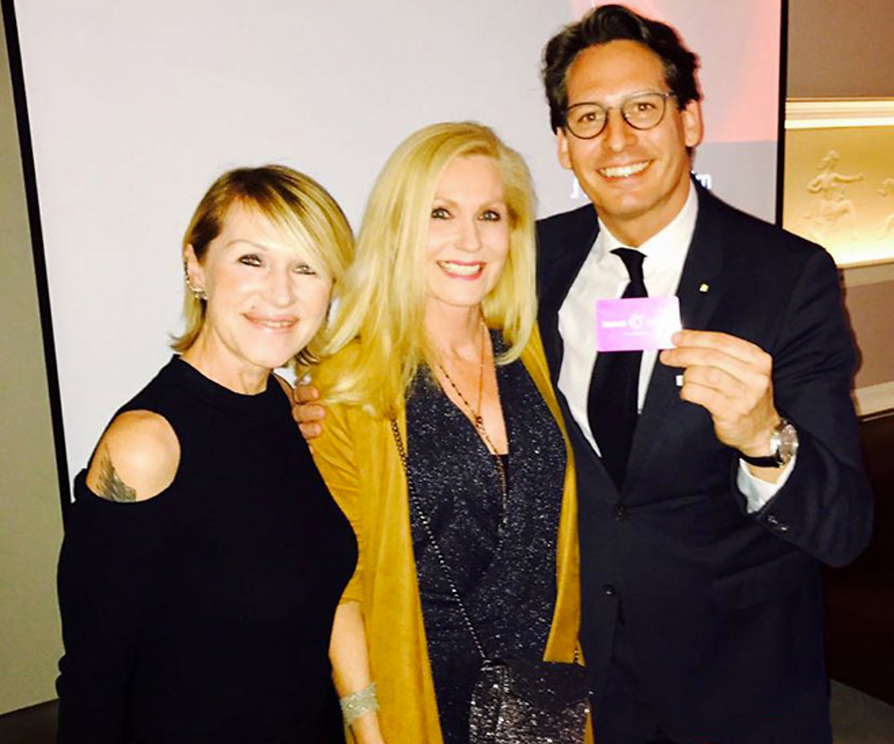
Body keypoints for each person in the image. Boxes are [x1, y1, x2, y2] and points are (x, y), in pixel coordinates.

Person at [536, 5, 873, 743]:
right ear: (563, 144)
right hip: (588, 663)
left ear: (689, 119)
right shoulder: (533, 261)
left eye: (643, 108)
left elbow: (844, 527)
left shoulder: (786, 276)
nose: (617, 139)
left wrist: (764, 439)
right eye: (589, 117)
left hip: (735, 673)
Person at [56, 165, 357, 743]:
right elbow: (93, 679)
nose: (281, 293)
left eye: (306, 267)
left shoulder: (286, 404)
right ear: (196, 266)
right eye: (251, 260)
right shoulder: (144, 446)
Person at [309, 122, 583, 744]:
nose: (469, 240)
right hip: (420, 693)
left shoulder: (534, 353)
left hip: (545, 694)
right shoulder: (348, 384)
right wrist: (368, 726)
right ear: (398, 227)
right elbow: (342, 588)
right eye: (440, 213)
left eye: (489, 215)